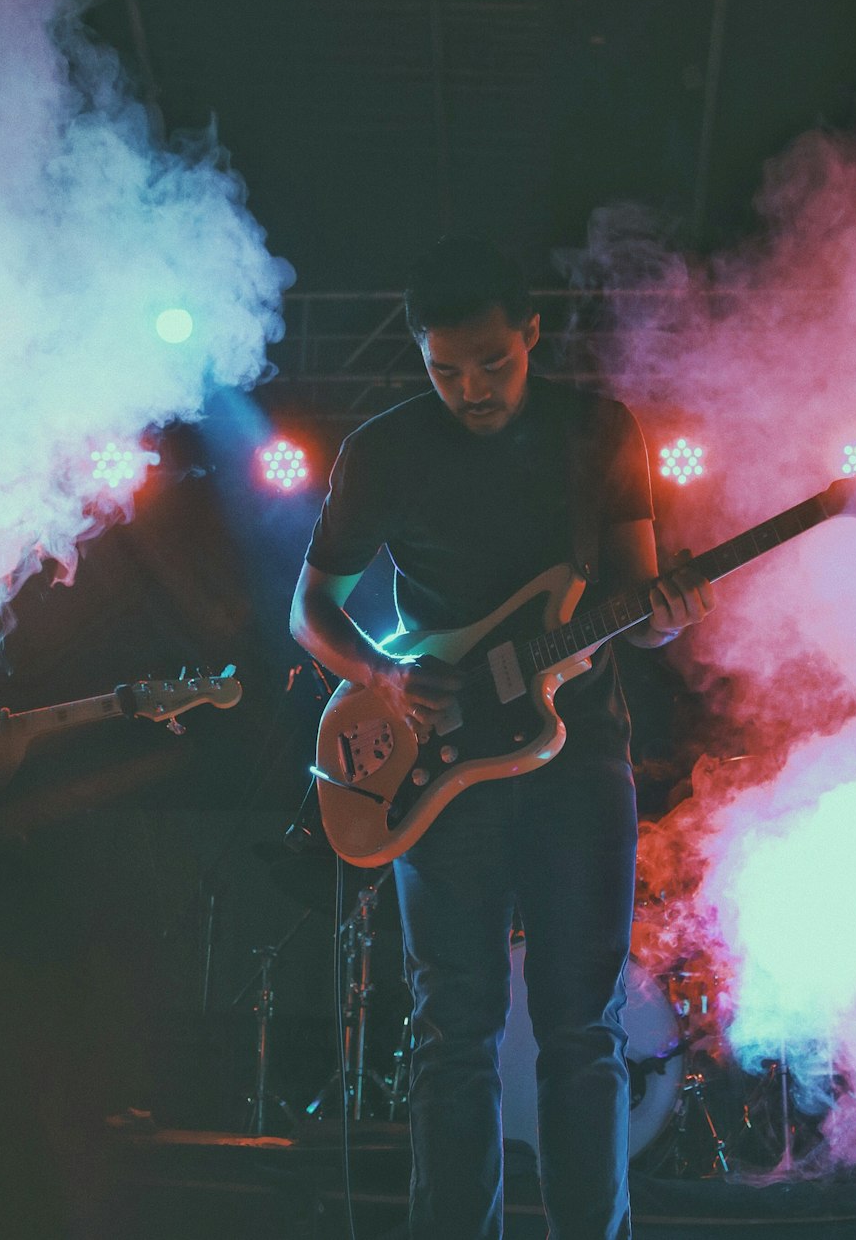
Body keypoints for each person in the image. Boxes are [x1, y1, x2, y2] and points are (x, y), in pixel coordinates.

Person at [290, 237, 714, 1240]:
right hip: (438, 768)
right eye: (444, 369)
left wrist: (666, 610)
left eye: (491, 362)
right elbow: (309, 609)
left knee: (584, 1032)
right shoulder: (385, 448)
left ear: (531, 332)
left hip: (580, 753)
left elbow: (631, 600)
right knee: (453, 1034)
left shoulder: (597, 430)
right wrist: (386, 676)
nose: (469, 388)